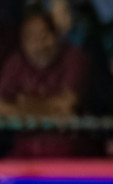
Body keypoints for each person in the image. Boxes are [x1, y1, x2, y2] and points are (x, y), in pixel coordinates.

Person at [0, 8, 90, 158]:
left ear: (56, 36)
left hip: (69, 150)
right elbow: (1, 106)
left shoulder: (74, 58)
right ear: (23, 42)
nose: (39, 44)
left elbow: (67, 105)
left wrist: (23, 105)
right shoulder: (16, 62)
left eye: (44, 35)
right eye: (32, 37)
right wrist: (50, 110)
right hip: (24, 151)